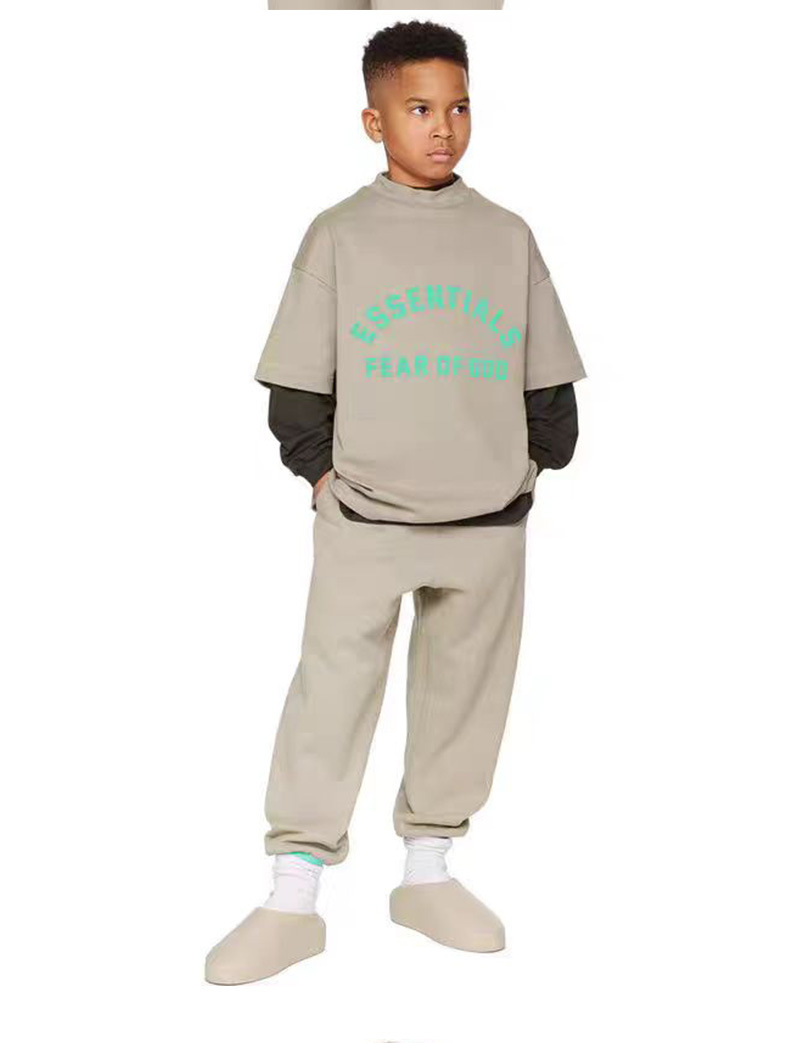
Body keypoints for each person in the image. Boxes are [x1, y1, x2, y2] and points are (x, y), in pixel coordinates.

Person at [205, 19, 586, 986]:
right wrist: (322, 474)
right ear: (374, 121)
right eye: (419, 109)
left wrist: (532, 466)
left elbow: (548, 378)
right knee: (331, 694)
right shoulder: (339, 234)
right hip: (366, 517)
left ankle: (428, 871)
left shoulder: (508, 235)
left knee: (468, 695)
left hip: (486, 521)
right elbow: (297, 381)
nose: (443, 127)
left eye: (459, 107)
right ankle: (293, 892)